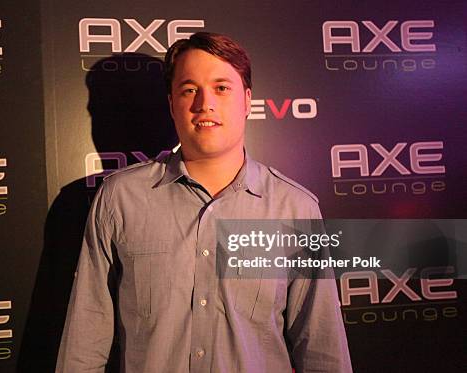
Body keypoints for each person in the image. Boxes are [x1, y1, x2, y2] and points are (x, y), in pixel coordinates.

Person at [56, 32, 352, 373]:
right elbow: (85, 341)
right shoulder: (119, 199)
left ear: (248, 101)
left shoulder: (295, 208)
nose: (204, 104)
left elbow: (321, 348)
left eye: (221, 88)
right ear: (171, 104)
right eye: (189, 89)